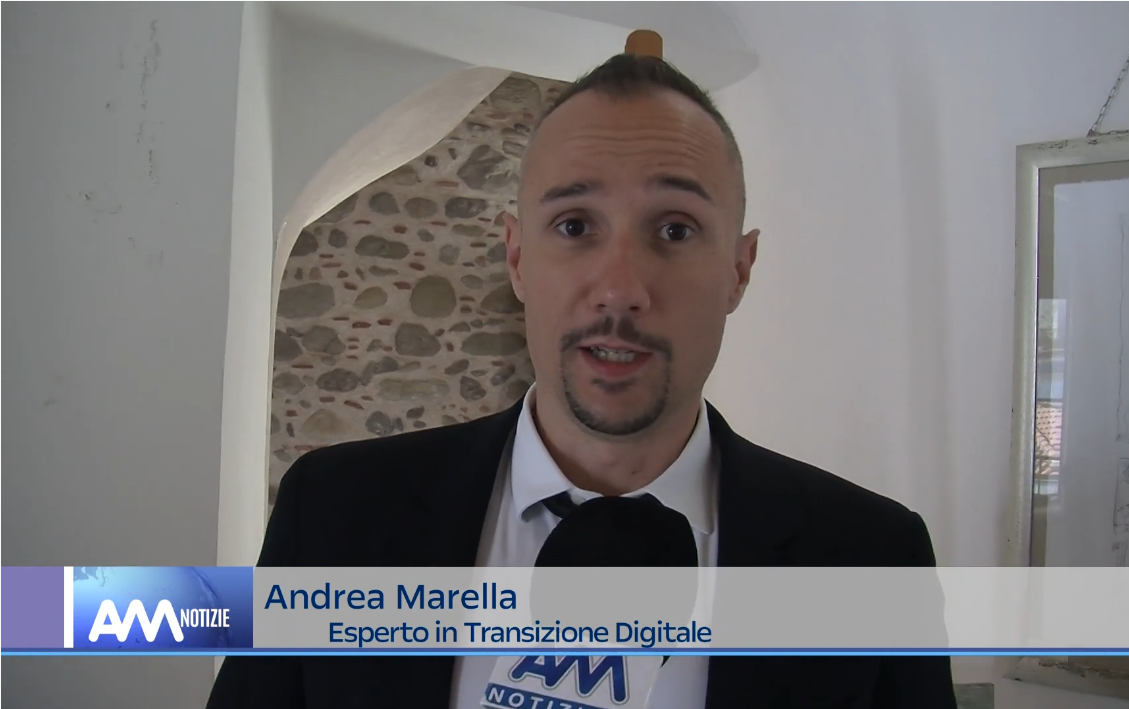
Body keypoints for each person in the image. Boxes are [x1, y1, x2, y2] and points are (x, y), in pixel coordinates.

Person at [208, 54, 956, 709]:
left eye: (674, 229)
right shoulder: (332, 517)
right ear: (516, 259)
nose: (620, 289)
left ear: (738, 269)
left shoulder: (872, 559)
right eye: (574, 226)